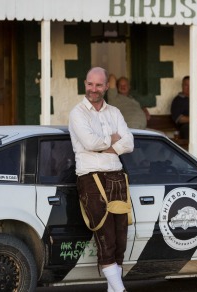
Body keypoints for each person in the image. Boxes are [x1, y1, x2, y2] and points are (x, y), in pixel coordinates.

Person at [69, 67, 134, 292]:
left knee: (120, 240)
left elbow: (130, 143)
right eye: (90, 84)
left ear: (106, 87)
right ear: (84, 83)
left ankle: (113, 290)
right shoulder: (77, 113)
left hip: (116, 176)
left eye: (98, 85)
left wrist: (104, 146)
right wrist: (113, 142)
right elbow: (89, 143)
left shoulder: (114, 112)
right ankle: (121, 290)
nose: (93, 89)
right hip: (90, 177)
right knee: (105, 237)